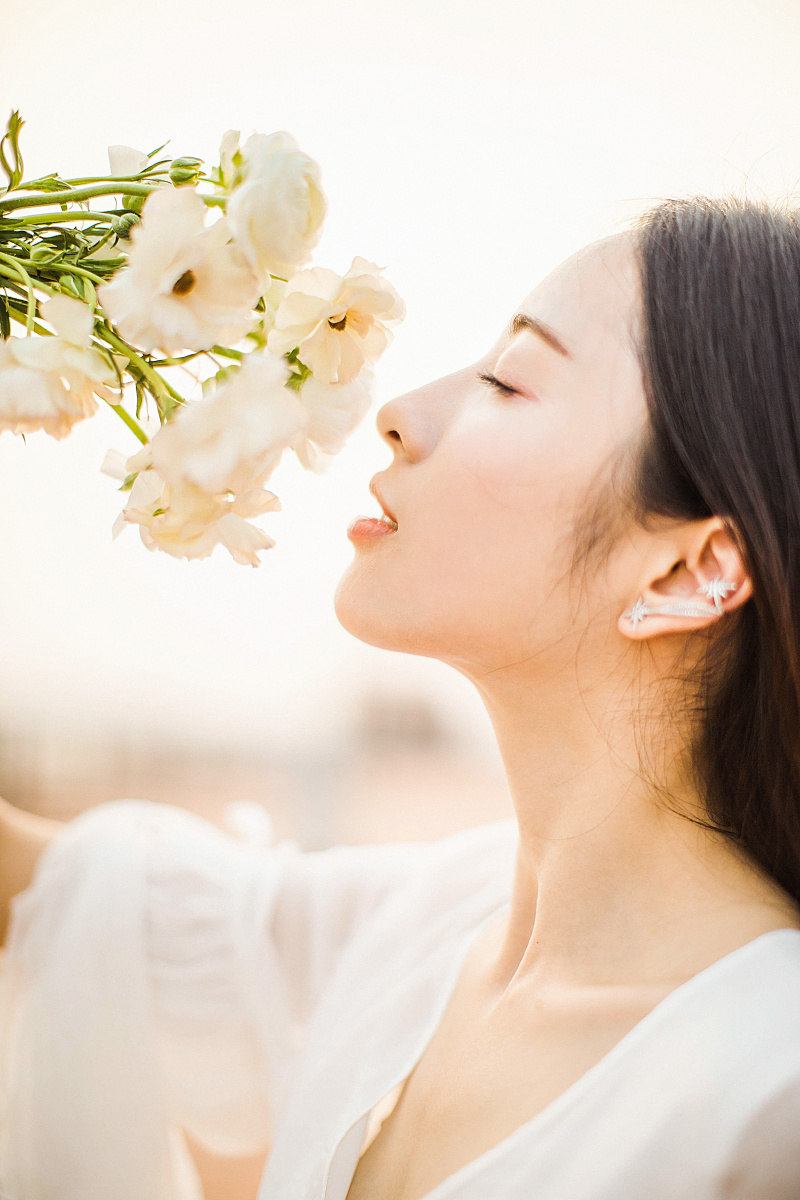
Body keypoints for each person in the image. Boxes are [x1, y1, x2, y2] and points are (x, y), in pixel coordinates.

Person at [1, 195, 800, 1200]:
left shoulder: (766, 1101)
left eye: (508, 382)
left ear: (687, 573)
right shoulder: (430, 926)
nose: (398, 412)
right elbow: (77, 895)